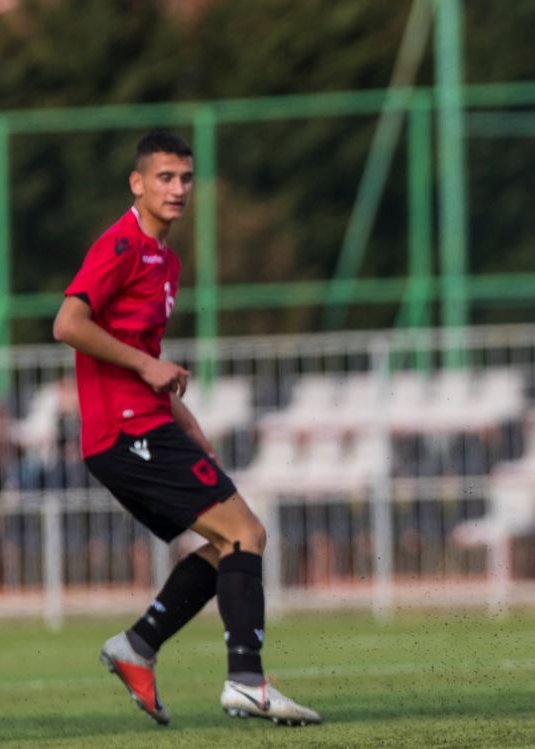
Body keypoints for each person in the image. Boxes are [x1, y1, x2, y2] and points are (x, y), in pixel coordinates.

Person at [52, 131, 320, 726]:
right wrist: (148, 365)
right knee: (246, 532)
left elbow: (141, 347)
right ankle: (246, 680)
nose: (177, 189)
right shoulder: (121, 243)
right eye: (165, 178)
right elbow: (68, 323)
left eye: (186, 178)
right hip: (123, 432)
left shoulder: (165, 260)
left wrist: (187, 419)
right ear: (138, 183)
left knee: (228, 543)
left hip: (148, 423)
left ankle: (138, 647)